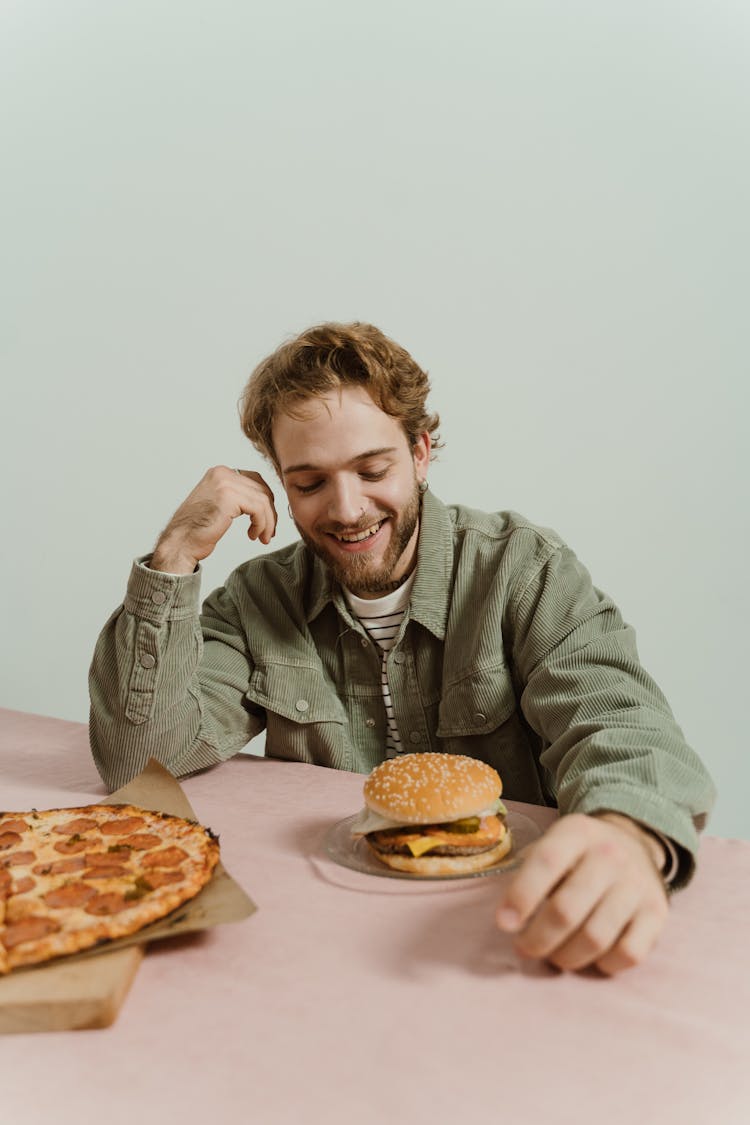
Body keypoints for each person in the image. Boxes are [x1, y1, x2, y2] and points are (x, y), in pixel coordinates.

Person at [89, 321, 715, 975]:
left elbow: (623, 726)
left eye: (372, 469)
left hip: (506, 935)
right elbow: (140, 760)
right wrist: (175, 555)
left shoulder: (523, 571)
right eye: (309, 484)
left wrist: (627, 831)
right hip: (319, 945)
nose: (348, 508)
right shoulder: (257, 601)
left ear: (419, 452)